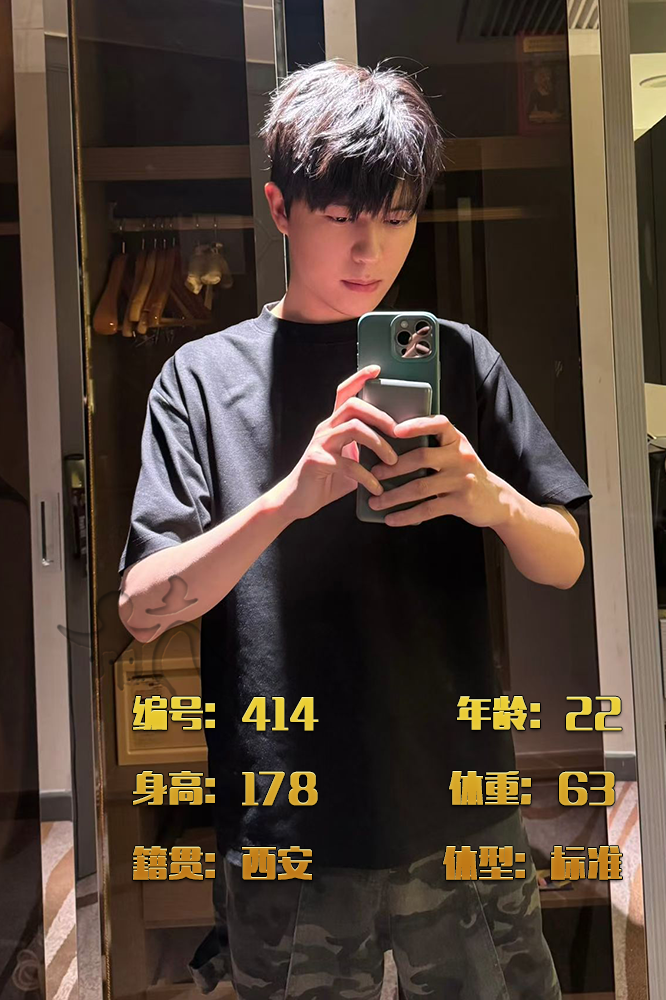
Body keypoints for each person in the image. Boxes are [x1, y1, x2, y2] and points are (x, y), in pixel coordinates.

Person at [118, 58, 591, 1000]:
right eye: (341, 216)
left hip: (461, 809)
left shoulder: (459, 360)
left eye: (398, 217)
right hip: (287, 827)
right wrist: (291, 496)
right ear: (280, 207)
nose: (371, 249)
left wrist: (490, 499)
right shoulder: (202, 381)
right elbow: (142, 608)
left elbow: (565, 562)